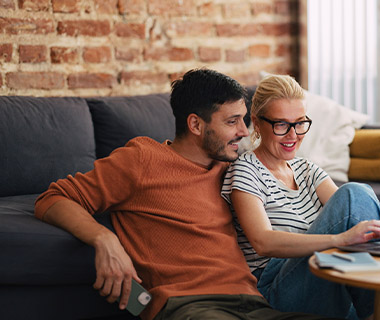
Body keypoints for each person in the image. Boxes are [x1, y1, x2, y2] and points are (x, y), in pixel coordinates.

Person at [34, 68, 338, 320]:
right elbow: (54, 198)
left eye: (244, 120)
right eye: (232, 122)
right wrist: (105, 240)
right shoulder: (142, 160)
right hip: (190, 306)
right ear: (195, 124)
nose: (245, 132)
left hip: (255, 304)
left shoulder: (233, 170)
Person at [221, 74, 380, 320]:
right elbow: (263, 242)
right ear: (256, 122)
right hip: (279, 291)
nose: (293, 135)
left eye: (300, 123)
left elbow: (358, 213)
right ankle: (375, 311)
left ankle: (375, 308)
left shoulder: (308, 169)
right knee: (354, 192)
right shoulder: (245, 170)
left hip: (335, 281)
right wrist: (341, 239)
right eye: (282, 124)